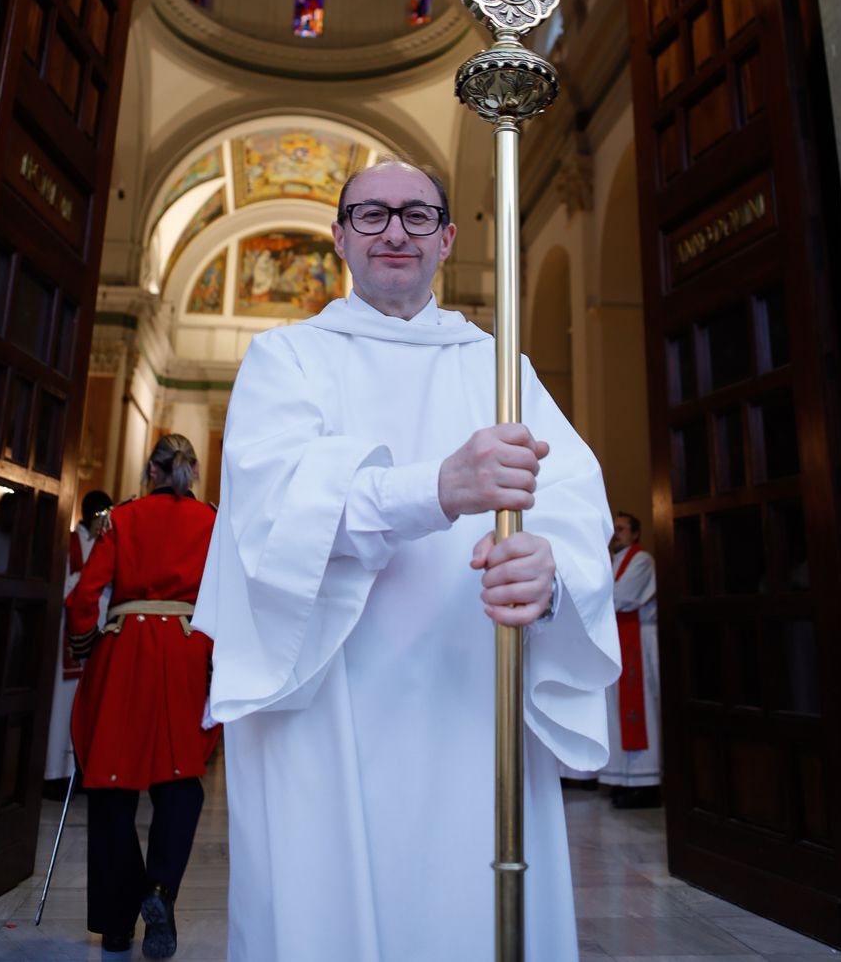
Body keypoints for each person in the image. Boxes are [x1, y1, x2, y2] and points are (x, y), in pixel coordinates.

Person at [193, 158, 620, 962]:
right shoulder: (286, 359)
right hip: (323, 707)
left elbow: (573, 502)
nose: (395, 230)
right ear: (340, 237)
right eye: (372, 214)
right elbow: (276, 516)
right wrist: (440, 486)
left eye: (418, 216)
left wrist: (553, 570)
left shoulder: (500, 369)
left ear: (448, 239)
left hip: (472, 694)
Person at [66, 436, 220, 959]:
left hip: (125, 649)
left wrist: (86, 645)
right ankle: (158, 892)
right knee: (180, 779)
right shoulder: (212, 522)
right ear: (192, 472)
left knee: (112, 782)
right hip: (184, 651)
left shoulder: (122, 519)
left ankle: (115, 923)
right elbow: (226, 598)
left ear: (150, 471)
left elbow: (86, 595)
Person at [44, 489, 113, 796]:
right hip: (70, 636)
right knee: (64, 705)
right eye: (100, 515)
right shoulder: (69, 542)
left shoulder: (109, 542)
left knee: (93, 703)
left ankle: (83, 770)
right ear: (87, 514)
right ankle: (56, 773)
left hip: (99, 631)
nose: (103, 521)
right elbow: (62, 586)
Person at [598, 511, 661, 807]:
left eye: (622, 529)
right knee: (616, 711)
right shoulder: (609, 561)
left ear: (635, 534)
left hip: (639, 639)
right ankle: (624, 779)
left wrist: (593, 600)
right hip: (618, 639)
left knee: (642, 709)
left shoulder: (641, 560)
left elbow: (621, 597)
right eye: (615, 529)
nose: (617, 534)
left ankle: (646, 782)